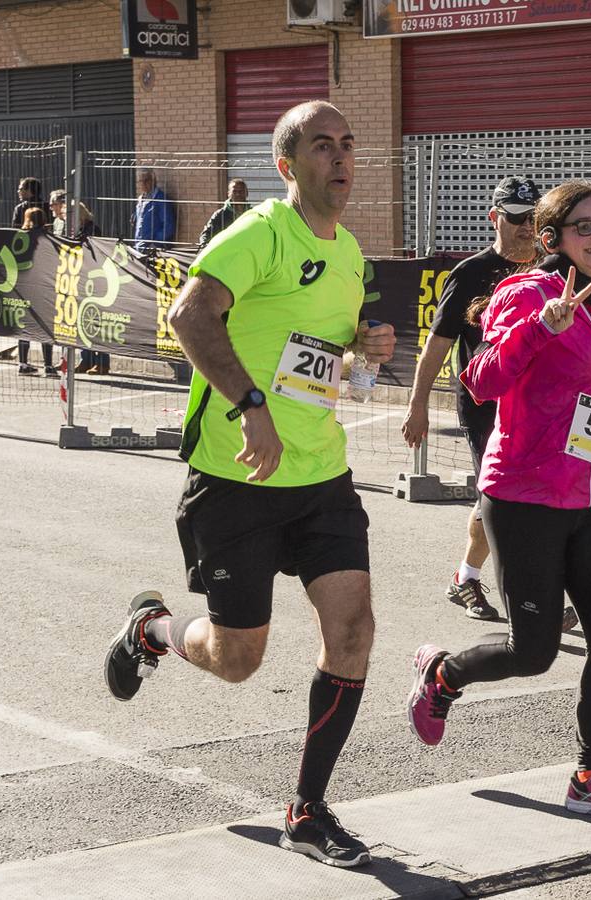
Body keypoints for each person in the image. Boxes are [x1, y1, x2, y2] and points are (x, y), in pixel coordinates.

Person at [102, 101, 396, 869]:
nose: (339, 157)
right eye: (320, 145)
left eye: (347, 143)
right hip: (236, 479)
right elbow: (190, 316)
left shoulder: (352, 255)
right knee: (238, 660)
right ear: (288, 164)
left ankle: (308, 809)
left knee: (355, 633)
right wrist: (250, 405)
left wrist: (367, 349)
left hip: (321, 475)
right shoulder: (262, 232)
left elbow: (336, 368)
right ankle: (153, 630)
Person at [405, 181, 591, 823]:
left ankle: (590, 774)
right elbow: (482, 379)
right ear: (551, 240)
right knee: (535, 650)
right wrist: (538, 331)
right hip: (522, 494)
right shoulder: (525, 293)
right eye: (586, 228)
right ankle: (443, 677)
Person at [401, 176, 576, 629]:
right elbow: (437, 344)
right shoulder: (471, 273)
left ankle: (465, 576)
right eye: (516, 218)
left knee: (528, 499)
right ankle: (535, 600)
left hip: (541, 407)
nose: (525, 227)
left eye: (533, 218)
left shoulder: (552, 270)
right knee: (502, 500)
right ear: (494, 218)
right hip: (487, 407)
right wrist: (417, 404)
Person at [50, 189, 109, 375]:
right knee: (79, 321)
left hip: (93, 278)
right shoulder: (71, 229)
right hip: (75, 277)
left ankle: (102, 362)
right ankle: (86, 359)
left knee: (96, 321)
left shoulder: (91, 228)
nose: (66, 219)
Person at [13, 180, 57, 376]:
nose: (19, 191)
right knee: (44, 324)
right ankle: (48, 364)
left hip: (23, 284)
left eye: (22, 188)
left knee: (24, 324)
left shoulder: (19, 239)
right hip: (43, 285)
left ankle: (23, 362)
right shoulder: (48, 240)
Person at [133, 168, 176, 255]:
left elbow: (168, 226)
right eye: (141, 181)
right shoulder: (141, 199)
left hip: (153, 250)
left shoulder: (161, 199)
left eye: (146, 180)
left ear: (153, 180)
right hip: (140, 247)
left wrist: (155, 244)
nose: (143, 184)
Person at [198, 179, 250, 249]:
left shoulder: (252, 213)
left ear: (246, 193)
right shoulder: (220, 215)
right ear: (229, 194)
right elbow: (206, 234)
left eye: (241, 191)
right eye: (234, 191)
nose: (238, 194)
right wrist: (205, 247)